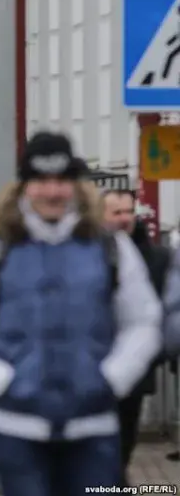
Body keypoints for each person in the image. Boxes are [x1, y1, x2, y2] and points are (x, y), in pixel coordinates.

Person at [0, 131, 162, 494]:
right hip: (17, 428)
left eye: (61, 181)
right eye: (41, 181)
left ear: (75, 185)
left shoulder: (110, 248)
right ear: (24, 185)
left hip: (93, 426)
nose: (52, 192)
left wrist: (113, 379)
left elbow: (144, 321)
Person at [100, 188, 170, 483]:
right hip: (94, 365)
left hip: (135, 367)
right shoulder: (86, 253)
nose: (125, 218)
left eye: (129, 211)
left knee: (126, 438)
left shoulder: (155, 256)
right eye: (117, 212)